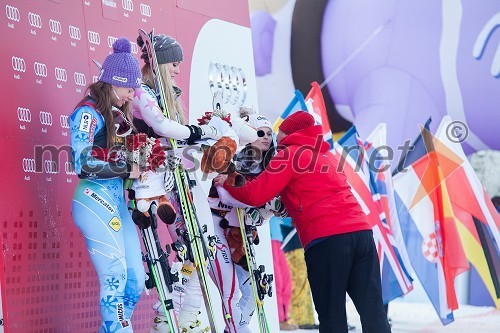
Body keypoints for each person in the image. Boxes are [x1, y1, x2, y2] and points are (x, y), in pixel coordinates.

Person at [214, 111, 391, 333]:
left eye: (278, 134)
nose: (274, 140)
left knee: (332, 314)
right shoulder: (328, 156)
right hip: (362, 234)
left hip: (327, 239)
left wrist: (226, 183)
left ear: (287, 133)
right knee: (372, 310)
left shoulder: (289, 155)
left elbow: (255, 195)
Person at [132, 33, 221, 333]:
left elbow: (174, 137)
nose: (178, 70)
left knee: (197, 247)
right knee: (190, 246)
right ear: (160, 61)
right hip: (155, 180)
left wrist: (205, 139)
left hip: (173, 177)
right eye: (174, 63)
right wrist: (197, 132)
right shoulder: (141, 92)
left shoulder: (161, 93)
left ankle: (186, 315)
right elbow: (161, 127)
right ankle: (172, 313)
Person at [70, 37, 145, 333]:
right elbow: (82, 163)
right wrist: (128, 166)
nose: (131, 95)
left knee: (135, 280)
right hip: (93, 199)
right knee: (115, 277)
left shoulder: (116, 114)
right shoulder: (88, 113)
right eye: (128, 87)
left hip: (117, 202)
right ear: (113, 82)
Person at [208, 109, 281, 333]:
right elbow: (227, 196)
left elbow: (270, 206)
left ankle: (235, 329)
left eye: (270, 133)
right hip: (218, 226)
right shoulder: (234, 157)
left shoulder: (273, 167)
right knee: (230, 289)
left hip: (243, 232)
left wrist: (259, 212)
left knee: (252, 292)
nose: (267, 137)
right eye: (261, 132)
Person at [269, 216, 297, 331]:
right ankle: (280, 320)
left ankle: (284, 318)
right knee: (278, 284)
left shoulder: (276, 209)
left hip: (278, 243)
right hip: (268, 243)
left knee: (287, 284)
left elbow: (288, 219)